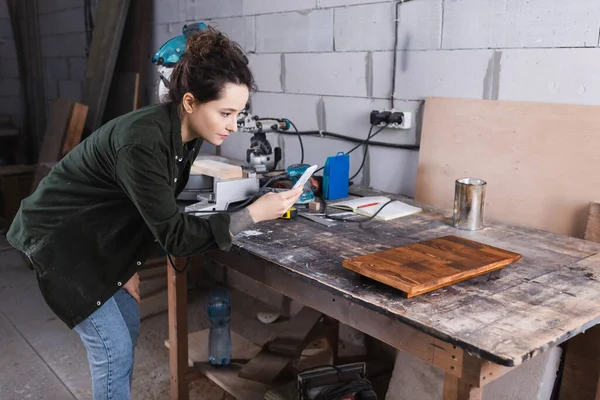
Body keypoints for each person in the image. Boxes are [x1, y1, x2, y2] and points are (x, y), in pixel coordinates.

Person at [6, 27, 302, 400]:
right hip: (60, 239)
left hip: (96, 232)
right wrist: (255, 213)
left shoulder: (187, 133)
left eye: (238, 113)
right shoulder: (143, 141)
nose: (233, 125)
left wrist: (126, 265)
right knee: (112, 350)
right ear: (191, 102)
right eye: (225, 113)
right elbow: (175, 235)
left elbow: (140, 202)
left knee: (127, 326)